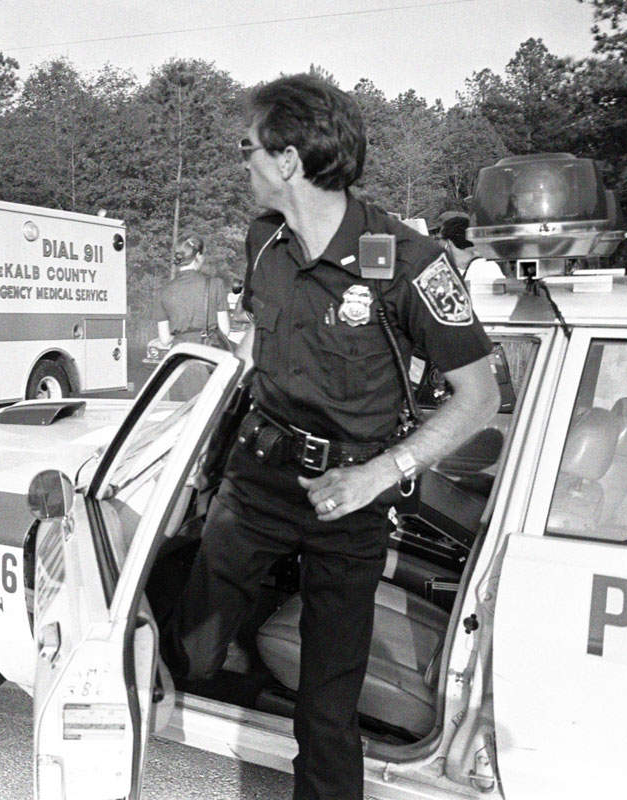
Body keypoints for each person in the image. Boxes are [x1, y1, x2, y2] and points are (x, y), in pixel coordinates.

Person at [165, 74, 500, 800]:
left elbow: (481, 396)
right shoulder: (262, 242)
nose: (242, 160)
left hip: (351, 496)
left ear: (287, 159)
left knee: (328, 702)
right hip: (256, 476)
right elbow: (262, 357)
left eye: (247, 147)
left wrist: (381, 474)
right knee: (188, 650)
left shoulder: (408, 261)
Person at [155, 235, 232, 398]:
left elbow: (164, 339)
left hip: (178, 360)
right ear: (198, 256)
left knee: (180, 414)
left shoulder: (163, 292)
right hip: (206, 356)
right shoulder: (215, 284)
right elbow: (225, 330)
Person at [436, 215, 508, 281]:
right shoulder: (454, 271)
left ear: (448, 242)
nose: (437, 243)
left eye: (438, 239)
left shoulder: (484, 268)